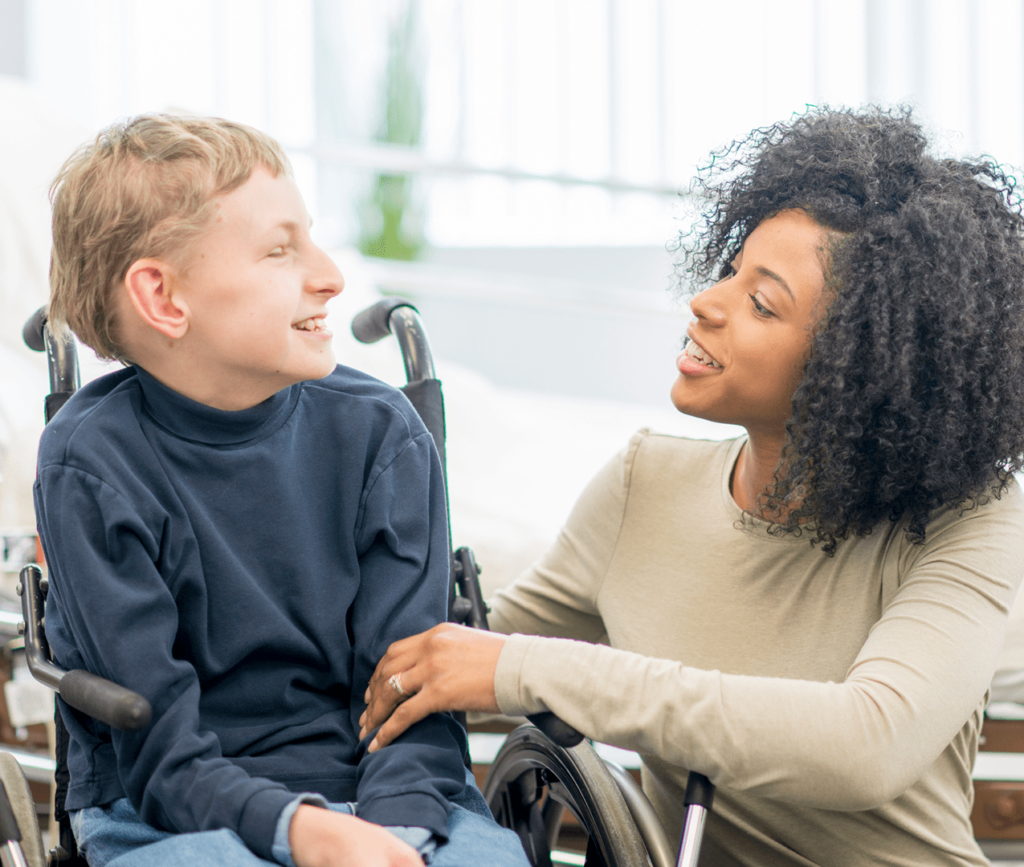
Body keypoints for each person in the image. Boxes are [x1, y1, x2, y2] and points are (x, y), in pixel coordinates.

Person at [361, 106, 1024, 866]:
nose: (705, 304)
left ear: (865, 366)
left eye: (761, 302)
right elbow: (470, 650)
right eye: (730, 271)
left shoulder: (970, 517)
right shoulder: (643, 484)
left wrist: (523, 666)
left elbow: (867, 742)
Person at [34, 114, 528, 867]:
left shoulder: (381, 435)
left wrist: (393, 838)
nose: (330, 275)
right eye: (280, 250)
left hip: (392, 792)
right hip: (168, 813)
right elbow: (160, 751)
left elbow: (412, 692)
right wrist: (301, 831)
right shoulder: (91, 464)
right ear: (164, 297)